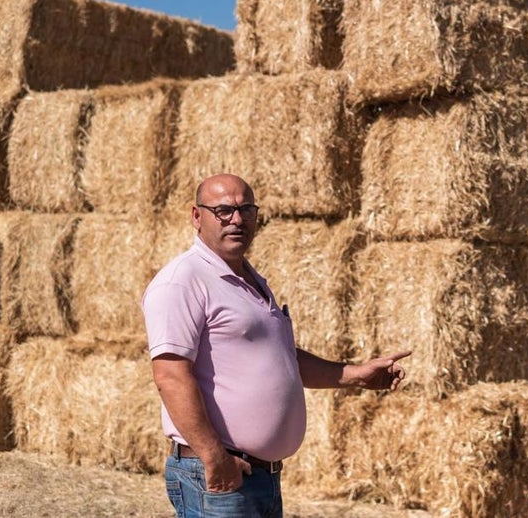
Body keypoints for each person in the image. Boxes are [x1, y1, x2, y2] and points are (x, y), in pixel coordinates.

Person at [142, 173, 409, 518]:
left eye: (245, 209)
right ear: (197, 216)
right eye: (223, 211)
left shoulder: (249, 279)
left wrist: (357, 374)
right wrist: (214, 457)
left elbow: (282, 359)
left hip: (261, 477)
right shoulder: (183, 280)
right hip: (221, 476)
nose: (236, 220)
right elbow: (170, 376)